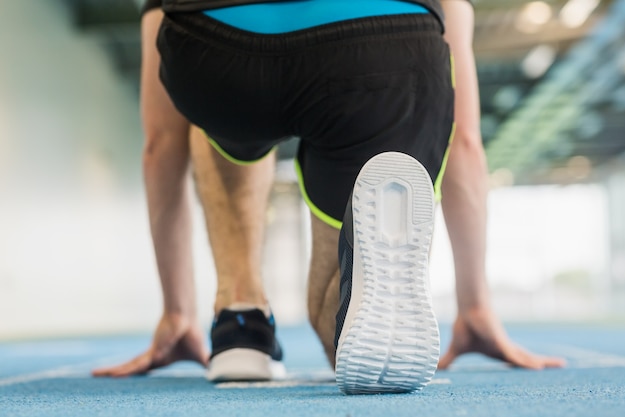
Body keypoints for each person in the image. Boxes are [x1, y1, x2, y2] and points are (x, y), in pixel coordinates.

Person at [93, 0, 564, 391]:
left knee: (216, 128)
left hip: (217, 46)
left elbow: (159, 145)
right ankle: (350, 305)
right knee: (344, 312)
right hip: (384, 44)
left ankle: (240, 322)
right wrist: (475, 305)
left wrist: (176, 311)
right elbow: (464, 140)